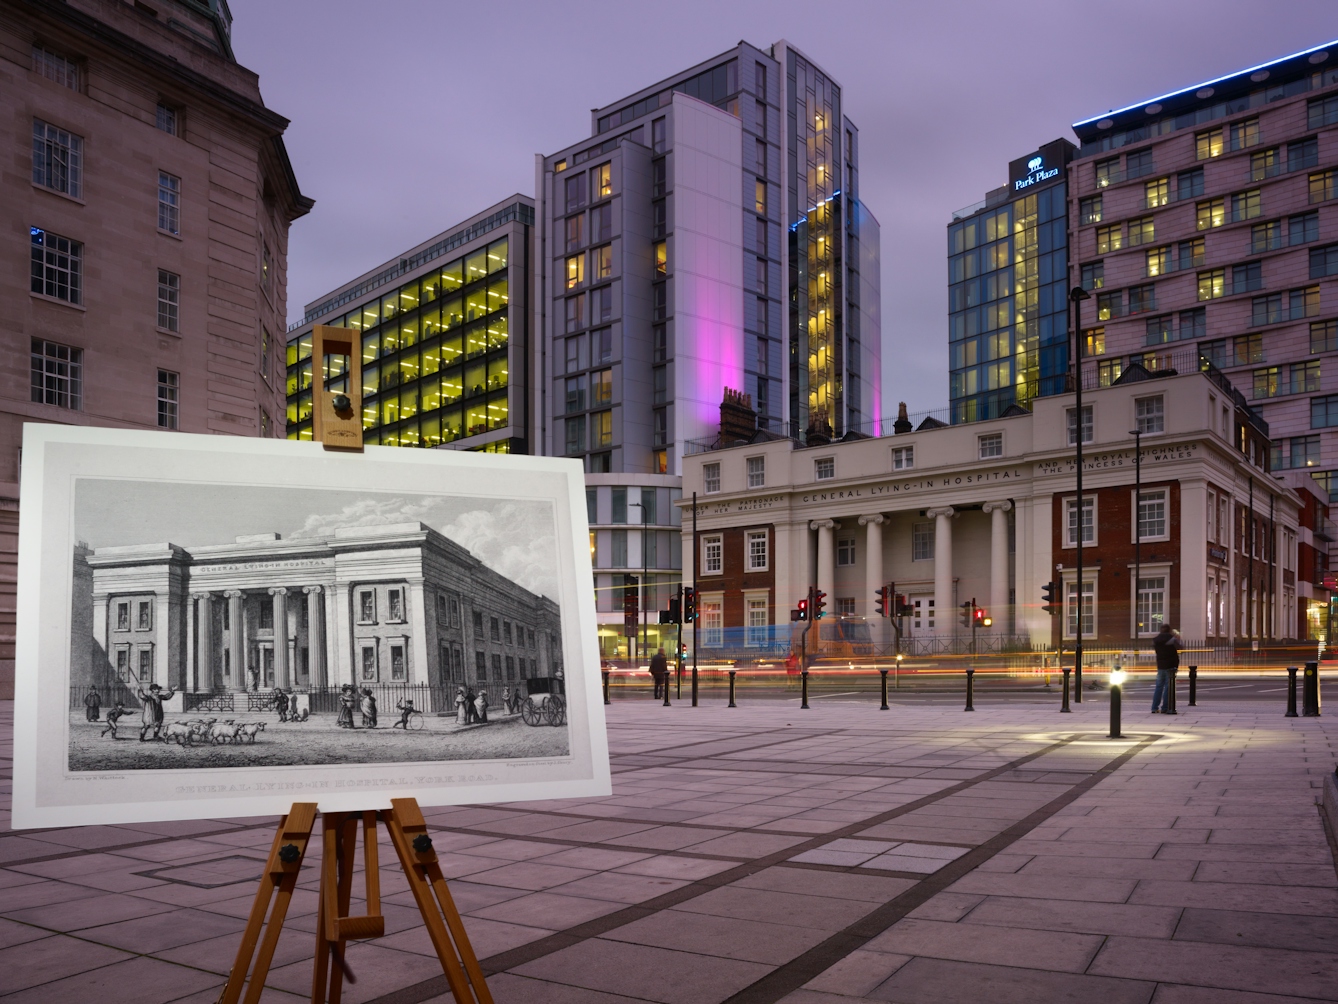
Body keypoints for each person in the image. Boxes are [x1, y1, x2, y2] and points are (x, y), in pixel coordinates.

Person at [1151, 623, 1182, 714]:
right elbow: (1181, 647)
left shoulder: (1155, 640)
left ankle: (1154, 707)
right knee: (1169, 688)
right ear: (1169, 630)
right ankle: (1165, 707)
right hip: (1171, 665)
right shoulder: (1172, 639)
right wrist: (1177, 638)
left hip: (1160, 665)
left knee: (1158, 687)